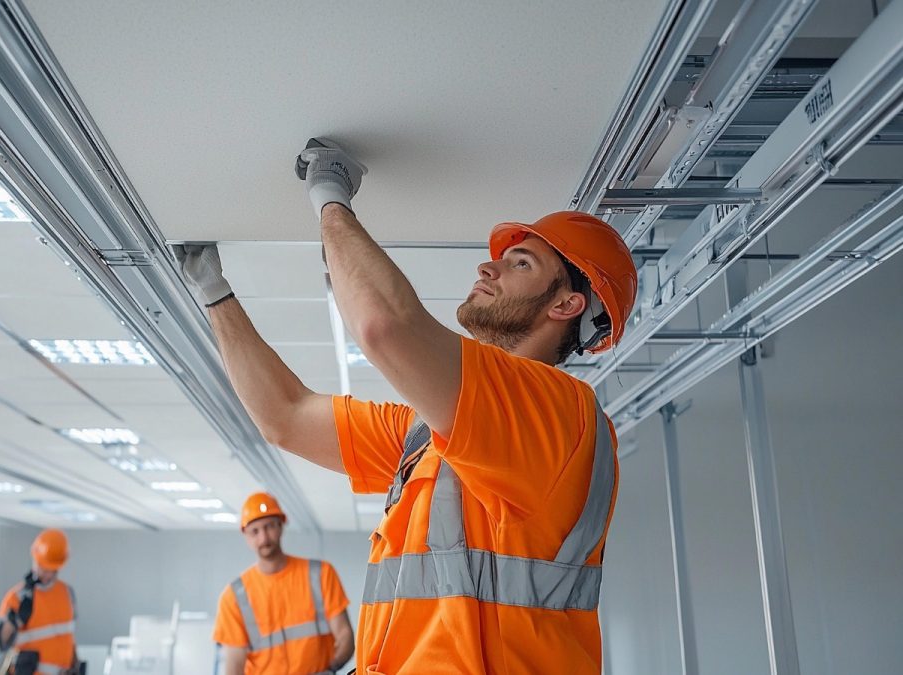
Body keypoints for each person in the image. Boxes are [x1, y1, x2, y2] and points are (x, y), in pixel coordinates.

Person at [181, 139, 637, 674]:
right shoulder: (429, 436)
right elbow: (285, 416)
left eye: (520, 262)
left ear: (566, 304)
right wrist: (215, 294)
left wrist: (330, 195)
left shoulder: (561, 416)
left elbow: (385, 327)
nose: (488, 269)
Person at [213, 492, 354, 674]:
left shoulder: (320, 574)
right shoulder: (234, 597)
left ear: (281, 525)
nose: (264, 538)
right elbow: (233, 667)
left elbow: (345, 635)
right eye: (255, 531)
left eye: (269, 526)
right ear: (246, 536)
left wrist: (330, 669)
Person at [0, 528, 80, 675]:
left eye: (51, 570)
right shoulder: (18, 597)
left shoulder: (66, 593)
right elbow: (2, 642)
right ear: (35, 560)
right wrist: (14, 620)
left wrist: (76, 665)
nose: (46, 574)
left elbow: (69, 637)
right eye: (42, 568)